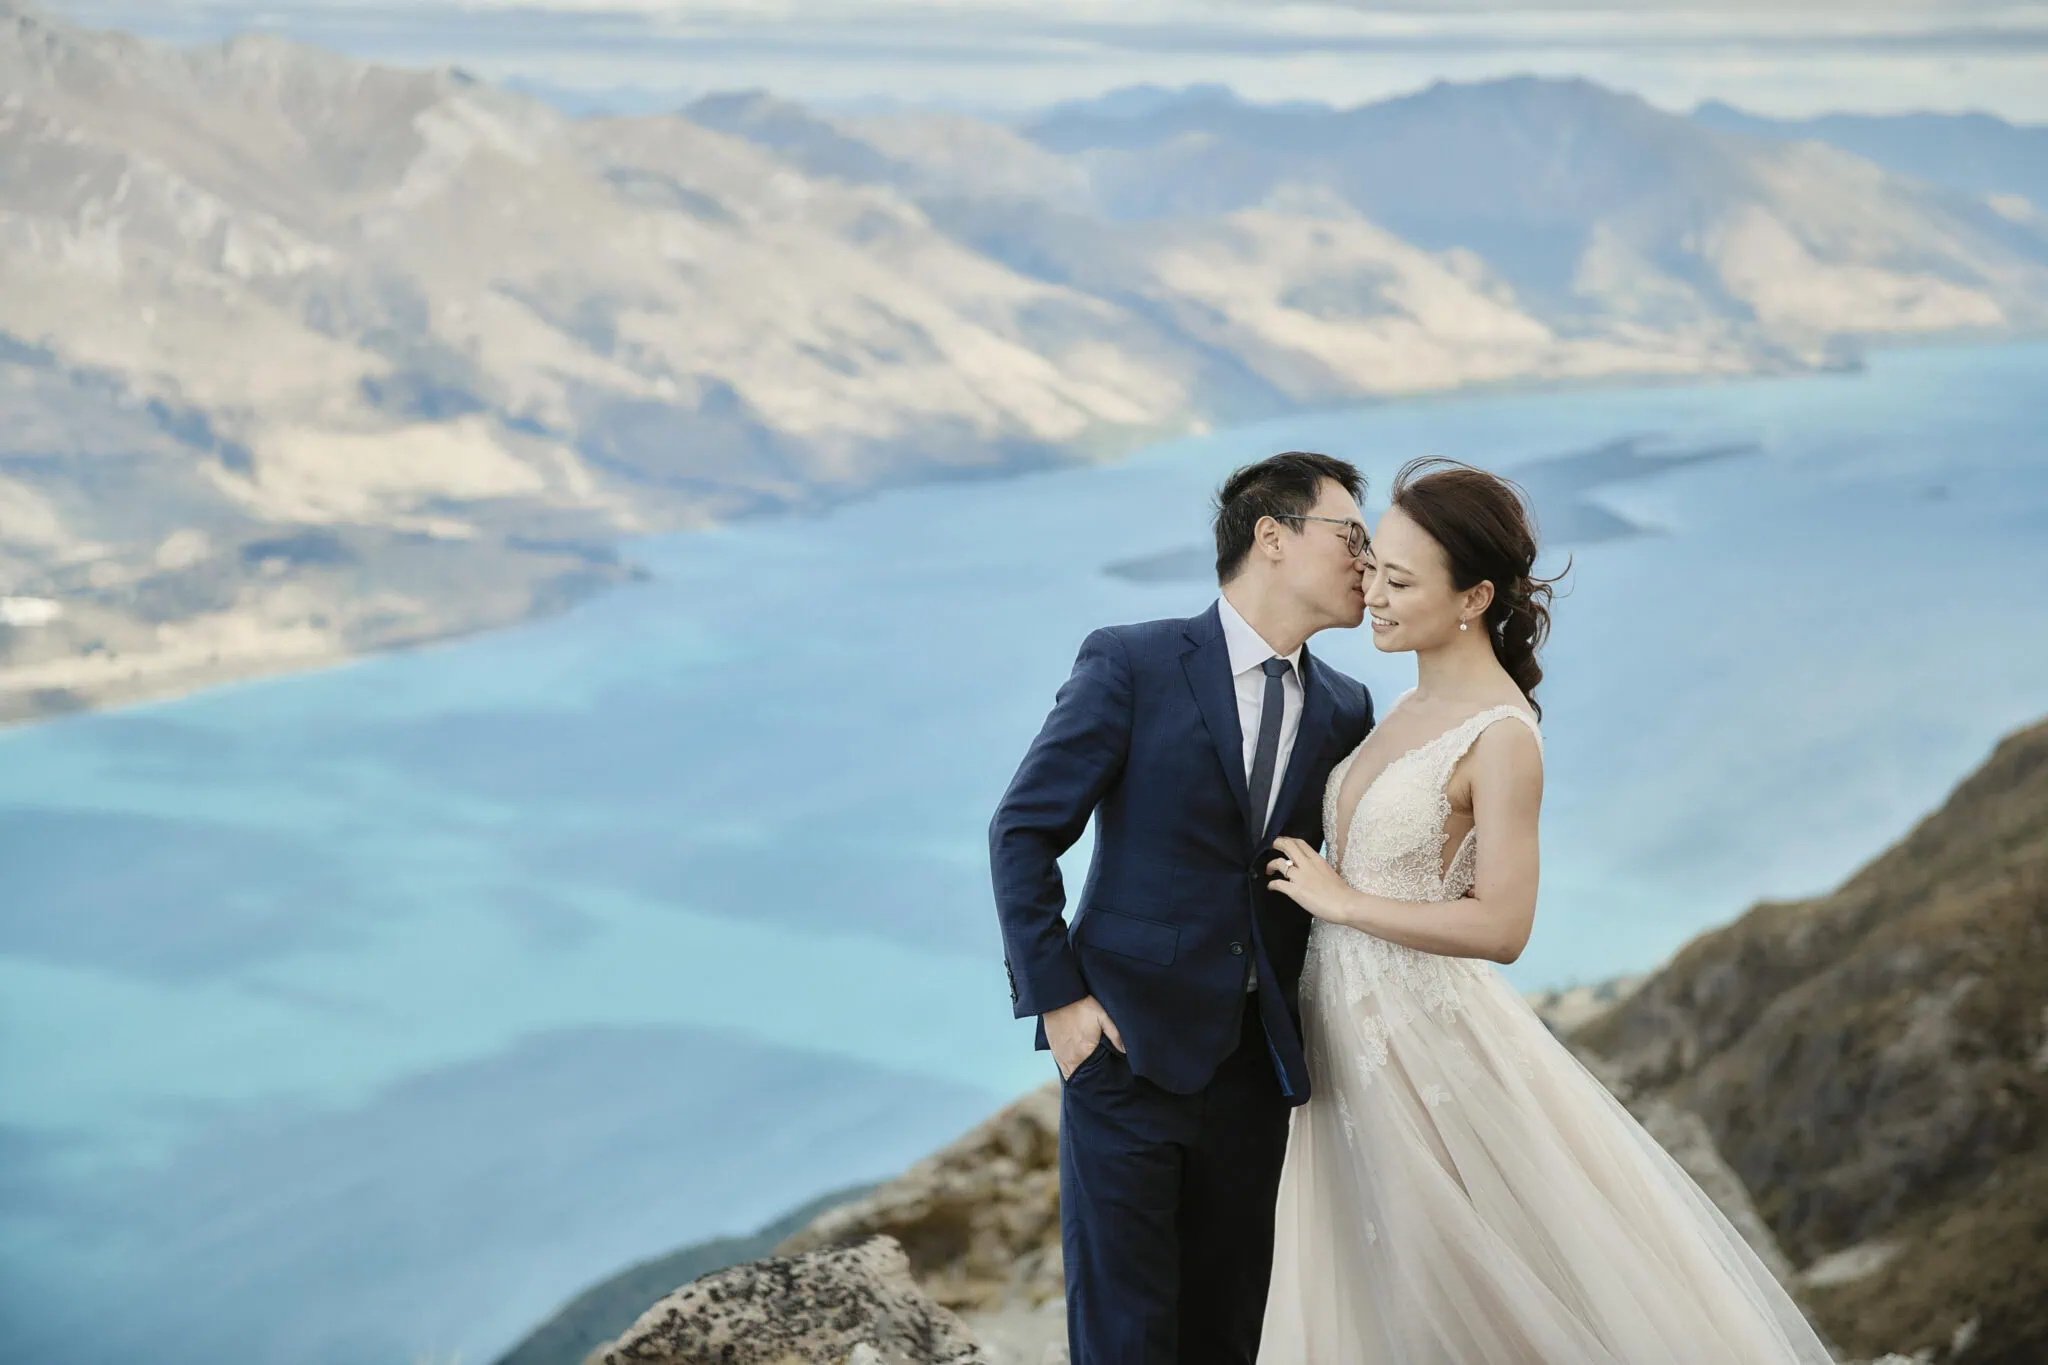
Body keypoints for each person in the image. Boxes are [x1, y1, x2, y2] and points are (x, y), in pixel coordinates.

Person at [1257, 457, 1835, 1363]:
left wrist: (1344, 900)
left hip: (1422, 1044)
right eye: (1373, 567)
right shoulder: (1402, 701)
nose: (1372, 593)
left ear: (1474, 597)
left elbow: (1503, 927)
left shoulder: (1501, 735)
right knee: (1369, 1291)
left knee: (1451, 1300)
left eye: (1400, 581)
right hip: (1344, 1036)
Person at [989, 451, 1377, 1365]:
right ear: (1272, 536)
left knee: (1226, 1335)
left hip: (1257, 1074)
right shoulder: (1134, 661)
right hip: (1125, 1054)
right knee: (1124, 1337)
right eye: (1352, 536)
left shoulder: (1346, 708)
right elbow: (1023, 830)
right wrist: (1062, 1006)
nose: (1368, 561)